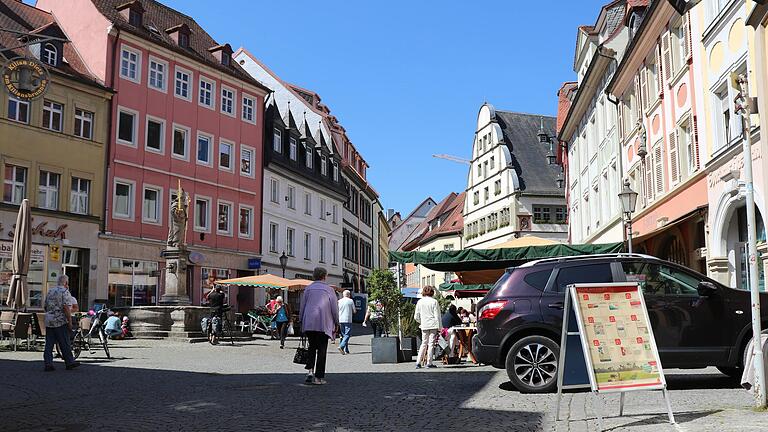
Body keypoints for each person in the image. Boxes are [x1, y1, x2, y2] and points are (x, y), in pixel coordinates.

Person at [299, 267, 339, 385]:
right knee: (322, 350)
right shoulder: (329, 290)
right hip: (323, 323)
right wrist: (337, 322)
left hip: (309, 323)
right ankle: (318, 377)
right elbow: (334, 309)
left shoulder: (308, 289)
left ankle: (310, 372)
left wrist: (301, 320)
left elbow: (303, 306)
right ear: (324, 276)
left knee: (312, 347)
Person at [43, 275, 79, 371]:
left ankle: (48, 363)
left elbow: (45, 306)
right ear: (66, 283)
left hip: (49, 320)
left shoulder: (50, 291)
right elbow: (66, 308)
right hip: (60, 320)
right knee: (64, 342)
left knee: (49, 343)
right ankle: (69, 362)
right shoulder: (65, 292)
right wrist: (70, 321)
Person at [414, 286, 442, 369]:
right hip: (433, 324)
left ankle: (418, 362)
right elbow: (437, 315)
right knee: (431, 344)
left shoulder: (420, 302)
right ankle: (429, 362)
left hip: (424, 325)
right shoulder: (434, 301)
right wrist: (439, 327)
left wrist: (421, 322)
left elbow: (416, 316)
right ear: (432, 292)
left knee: (423, 343)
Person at [337, 290, 356, 355]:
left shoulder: (339, 301)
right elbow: (354, 311)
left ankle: (346, 350)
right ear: (349, 295)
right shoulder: (350, 301)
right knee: (347, 335)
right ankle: (341, 346)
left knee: (343, 335)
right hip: (348, 319)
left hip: (340, 319)